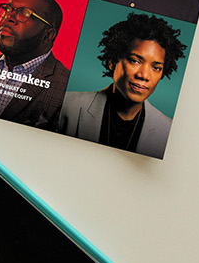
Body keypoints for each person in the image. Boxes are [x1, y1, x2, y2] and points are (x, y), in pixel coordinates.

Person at [56, 12, 187, 158]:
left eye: (156, 67)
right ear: (112, 62)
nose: (144, 75)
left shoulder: (167, 130)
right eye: (135, 61)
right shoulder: (66, 106)